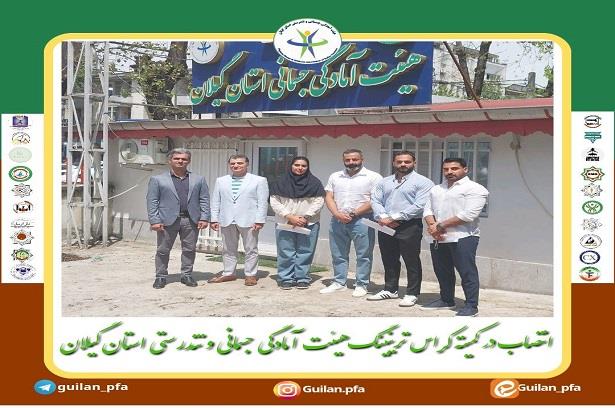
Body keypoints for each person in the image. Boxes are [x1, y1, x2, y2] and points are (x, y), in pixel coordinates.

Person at [421, 158, 489, 317]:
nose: (449, 172)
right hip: (438, 237)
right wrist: (433, 227)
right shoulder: (436, 189)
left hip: (463, 237)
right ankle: (446, 300)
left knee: (467, 272)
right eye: (446, 169)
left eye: (454, 168)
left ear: (465, 169)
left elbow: (468, 215)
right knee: (442, 270)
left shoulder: (476, 189)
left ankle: (471, 306)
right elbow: (427, 210)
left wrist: (439, 226)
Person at [368, 151, 434, 306]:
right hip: (385, 224)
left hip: (409, 225)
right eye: (399, 162)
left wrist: (395, 218)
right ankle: (390, 289)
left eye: (407, 162)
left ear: (414, 163)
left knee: (411, 260)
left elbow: (419, 205)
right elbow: (375, 200)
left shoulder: (424, 182)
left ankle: (412, 293)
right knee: (389, 258)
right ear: (394, 163)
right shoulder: (384, 182)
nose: (403, 164)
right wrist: (383, 217)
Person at [320, 149, 382, 297]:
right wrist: (336, 214)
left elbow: (375, 199)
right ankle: (339, 282)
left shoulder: (373, 177)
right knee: (338, 253)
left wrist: (354, 213)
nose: (351, 162)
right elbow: (328, 196)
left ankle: (361, 284)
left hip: (363, 219)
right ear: (343, 160)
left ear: (362, 159)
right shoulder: (335, 176)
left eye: (355, 159)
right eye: (348, 160)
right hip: (338, 219)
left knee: (364, 254)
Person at [146, 148, 210, 289]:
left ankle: (186, 274)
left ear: (189, 161)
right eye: (177, 158)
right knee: (163, 250)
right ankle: (161, 276)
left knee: (189, 249)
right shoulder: (157, 179)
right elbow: (152, 201)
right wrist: (155, 220)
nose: (180, 161)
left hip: (190, 220)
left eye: (184, 159)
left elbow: (204, 199)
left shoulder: (198, 179)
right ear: (170, 160)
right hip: (166, 221)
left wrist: (204, 218)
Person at [208, 154, 269, 286]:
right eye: (233, 163)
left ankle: (250, 274)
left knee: (251, 248)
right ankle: (229, 272)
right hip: (227, 219)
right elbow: (216, 201)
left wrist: (260, 220)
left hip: (250, 220)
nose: (236, 166)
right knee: (228, 248)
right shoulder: (221, 181)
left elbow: (263, 202)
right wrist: (214, 219)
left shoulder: (259, 180)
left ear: (247, 164)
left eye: (240, 163)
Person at [270, 157, 326, 290]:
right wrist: (289, 216)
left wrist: (306, 216)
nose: (300, 168)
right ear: (291, 165)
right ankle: (286, 278)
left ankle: (302, 278)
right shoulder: (280, 182)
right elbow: (274, 201)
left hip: (309, 222)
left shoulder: (315, 183)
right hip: (285, 222)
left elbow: (319, 201)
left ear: (308, 167)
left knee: (305, 251)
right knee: (286, 251)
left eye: (303, 166)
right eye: (296, 165)